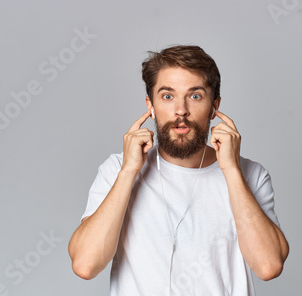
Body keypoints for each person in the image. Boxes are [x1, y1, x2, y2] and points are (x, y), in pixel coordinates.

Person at [68, 45, 289, 295]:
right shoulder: (117, 169)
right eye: (167, 96)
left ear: (214, 106)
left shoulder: (250, 174)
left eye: (195, 96)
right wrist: (129, 172)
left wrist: (231, 169)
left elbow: (268, 266)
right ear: (150, 105)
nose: (181, 110)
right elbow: (85, 265)